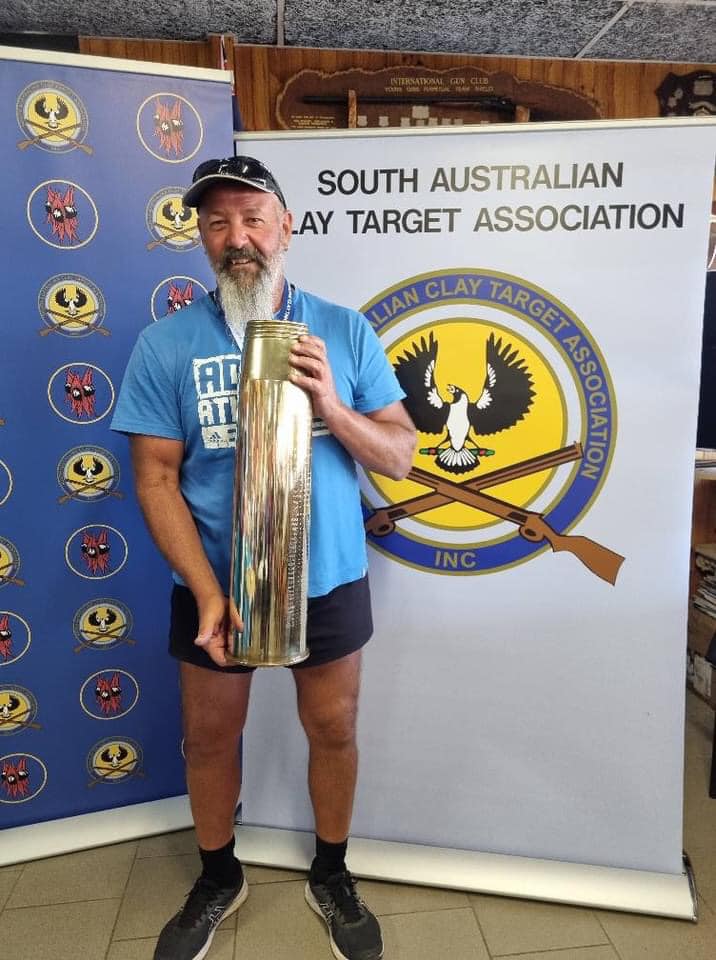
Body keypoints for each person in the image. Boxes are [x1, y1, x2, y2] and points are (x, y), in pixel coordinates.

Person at [111, 155, 416, 960]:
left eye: (252, 218)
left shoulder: (343, 330)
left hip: (328, 577)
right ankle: (219, 875)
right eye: (217, 222)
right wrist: (207, 590)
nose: (236, 237)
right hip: (216, 585)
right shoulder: (166, 344)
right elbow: (155, 478)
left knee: (334, 728)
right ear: (202, 239)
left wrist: (332, 407)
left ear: (287, 228)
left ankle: (332, 872)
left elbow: (399, 456)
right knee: (209, 738)